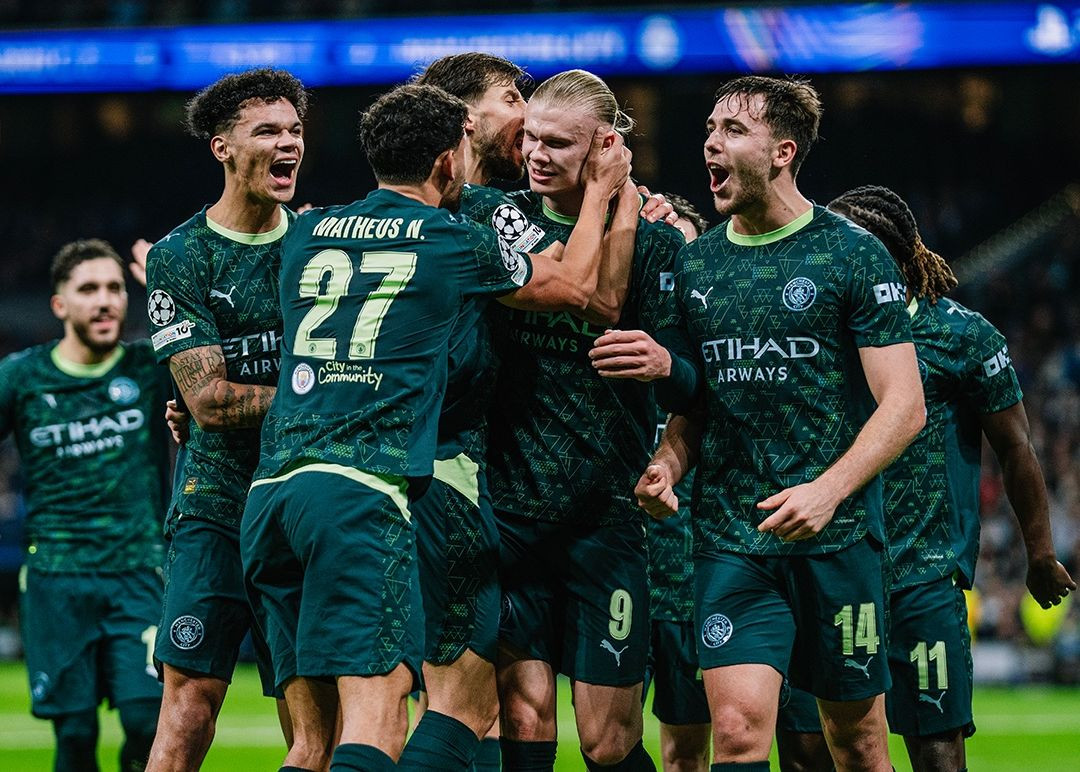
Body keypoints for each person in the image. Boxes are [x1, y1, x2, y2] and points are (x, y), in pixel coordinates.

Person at [240, 81, 625, 772]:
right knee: (386, 715)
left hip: (271, 494)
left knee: (311, 743)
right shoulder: (450, 240)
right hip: (361, 492)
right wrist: (601, 192)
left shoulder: (304, 232)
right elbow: (576, 288)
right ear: (449, 162)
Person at [628, 75, 926, 771]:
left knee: (857, 743)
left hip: (837, 539)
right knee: (735, 733)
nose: (711, 142)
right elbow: (694, 408)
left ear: (783, 151)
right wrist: (667, 465)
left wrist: (827, 492)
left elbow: (904, 405)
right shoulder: (696, 265)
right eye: (709, 129)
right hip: (732, 539)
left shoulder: (851, 253)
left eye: (734, 130)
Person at [775, 185, 1077, 772]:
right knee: (808, 752)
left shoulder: (962, 336)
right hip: (829, 569)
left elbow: (1016, 447)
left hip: (921, 575)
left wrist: (1041, 553)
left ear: (885, 258)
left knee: (938, 755)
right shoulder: (811, 333)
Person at [399, 54, 631, 771]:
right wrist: (609, 196)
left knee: (433, 700)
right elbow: (586, 293)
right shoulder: (484, 214)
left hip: (393, 471)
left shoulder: (390, 214)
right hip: (455, 478)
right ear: (467, 119)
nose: (526, 117)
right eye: (512, 99)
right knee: (463, 704)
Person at [465, 69, 688, 772]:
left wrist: (667, 368)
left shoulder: (660, 245)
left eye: (558, 143)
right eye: (530, 137)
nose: (536, 154)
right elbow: (593, 299)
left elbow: (696, 381)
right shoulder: (497, 221)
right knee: (523, 720)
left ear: (604, 145)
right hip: (511, 512)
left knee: (608, 742)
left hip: (606, 518)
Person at [143, 67, 307, 770]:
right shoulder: (181, 256)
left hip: (302, 503)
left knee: (312, 721)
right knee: (186, 711)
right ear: (223, 148)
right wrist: (328, 394)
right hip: (214, 507)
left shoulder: (323, 244)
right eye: (267, 131)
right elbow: (209, 402)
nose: (288, 143)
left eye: (295, 130)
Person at [0, 239, 169, 771]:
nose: (105, 301)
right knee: (74, 734)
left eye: (115, 288)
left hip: (139, 573)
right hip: (56, 577)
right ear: (59, 304)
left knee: (147, 725)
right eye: (89, 289)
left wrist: (172, 292)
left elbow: (219, 357)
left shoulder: (148, 367)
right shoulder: (21, 376)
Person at [642, 194, 712, 772]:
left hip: (689, 584)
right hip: (612, 568)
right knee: (603, 738)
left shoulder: (722, 350)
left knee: (685, 750)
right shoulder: (605, 332)